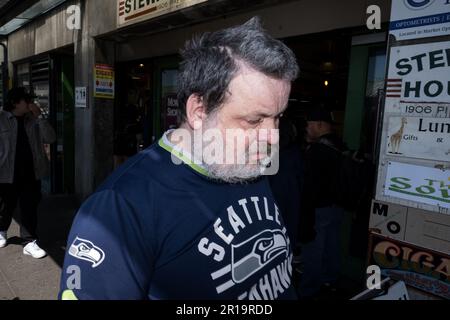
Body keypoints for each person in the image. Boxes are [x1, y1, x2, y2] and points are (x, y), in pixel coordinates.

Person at [59, 17, 299, 300]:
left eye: (278, 117)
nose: (273, 137)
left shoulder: (247, 163)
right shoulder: (121, 208)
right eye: (254, 120)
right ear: (198, 111)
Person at [0, 87, 56, 258]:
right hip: (6, 172)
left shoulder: (33, 119)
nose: (31, 104)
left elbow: (51, 138)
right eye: (27, 101)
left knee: (29, 207)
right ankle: (1, 230)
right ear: (15, 103)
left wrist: (40, 117)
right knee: (5, 205)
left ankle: (29, 241)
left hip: (32, 171)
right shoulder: (1, 118)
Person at [298, 108, 345, 299]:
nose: (307, 129)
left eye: (309, 124)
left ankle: (309, 290)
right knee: (332, 245)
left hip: (319, 209)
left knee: (313, 251)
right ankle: (330, 279)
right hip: (337, 206)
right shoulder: (340, 145)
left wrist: (304, 216)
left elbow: (310, 187)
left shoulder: (317, 151)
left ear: (319, 124)